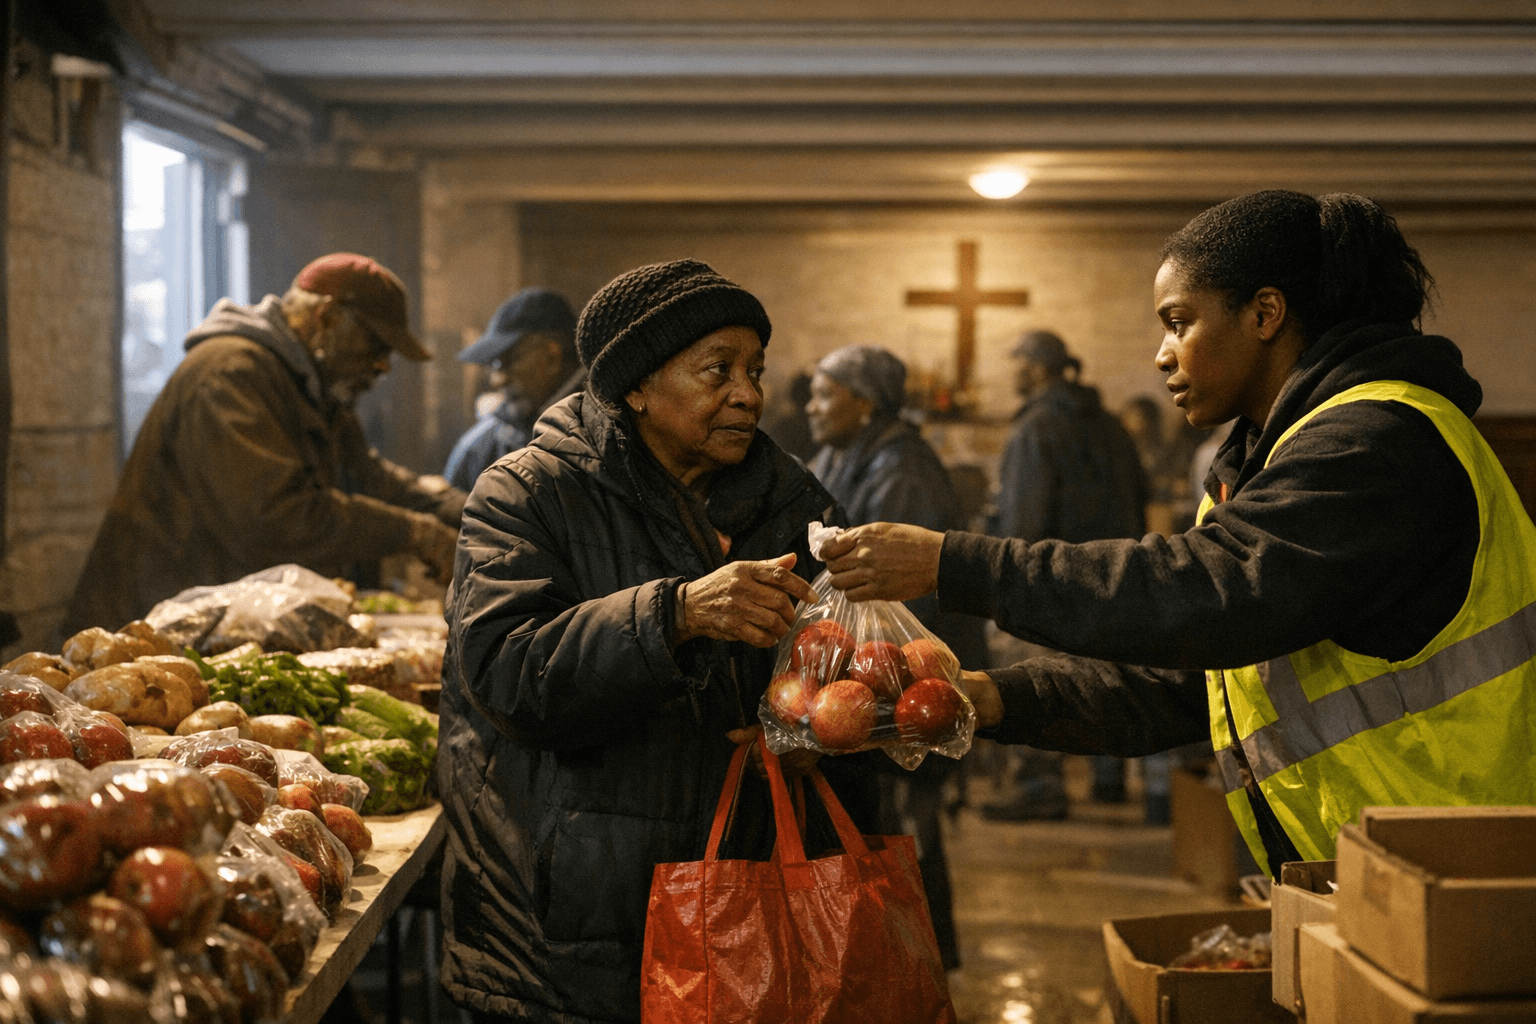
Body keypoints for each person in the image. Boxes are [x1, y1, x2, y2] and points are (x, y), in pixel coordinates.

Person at [818, 189, 1536, 877]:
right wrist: (989, 696)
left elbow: (1215, 592)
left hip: (1477, 857)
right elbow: (1200, 687)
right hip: (1400, 861)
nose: (1163, 354)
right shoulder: (1266, 463)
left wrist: (955, 563)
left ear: (1265, 313)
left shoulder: (1377, 441)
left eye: (1179, 320)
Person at [436, 259, 879, 1024]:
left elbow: (834, 665)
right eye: (718, 370)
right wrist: (674, 614)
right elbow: (506, 673)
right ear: (635, 387)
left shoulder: (794, 504)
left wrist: (817, 733)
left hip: (741, 910)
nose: (749, 392)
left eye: (754, 370)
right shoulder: (529, 493)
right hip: (568, 929)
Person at [63, 253, 466, 635]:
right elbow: (274, 517)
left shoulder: (313, 385)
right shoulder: (230, 373)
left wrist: (467, 510)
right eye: (376, 346)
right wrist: (414, 534)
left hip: (212, 623)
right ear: (325, 317)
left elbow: (371, 477)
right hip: (147, 632)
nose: (382, 366)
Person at [803, 343, 986, 973]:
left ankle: (921, 961)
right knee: (875, 825)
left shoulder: (901, 466)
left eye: (825, 393)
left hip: (905, 680)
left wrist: (886, 691)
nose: (811, 406)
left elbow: (898, 594)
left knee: (909, 826)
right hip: (864, 681)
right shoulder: (841, 452)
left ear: (864, 401)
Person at [984, 330, 1149, 819]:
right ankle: (1109, 780)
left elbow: (1023, 522)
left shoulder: (1036, 428)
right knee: (1110, 675)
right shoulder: (1113, 426)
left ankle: (1040, 789)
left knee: (1031, 677)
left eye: (1016, 362)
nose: (1013, 372)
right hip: (1117, 575)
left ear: (1037, 369)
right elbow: (1139, 497)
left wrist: (1004, 586)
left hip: (1053, 582)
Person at [442, 287, 585, 492]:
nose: (498, 380)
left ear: (552, 357)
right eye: (494, 366)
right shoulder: (479, 448)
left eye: (506, 362)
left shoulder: (610, 435)